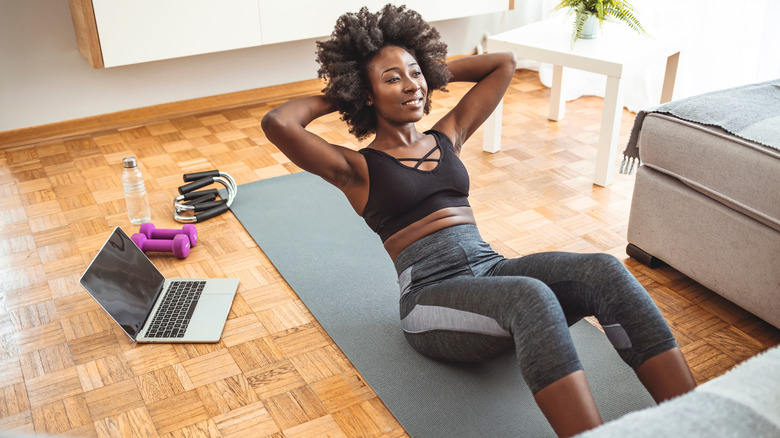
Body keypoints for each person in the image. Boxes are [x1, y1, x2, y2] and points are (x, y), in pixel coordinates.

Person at [261, 5, 696, 437]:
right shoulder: (355, 168)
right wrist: (347, 92)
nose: (411, 85)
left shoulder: (446, 136)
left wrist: (421, 72)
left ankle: (696, 418)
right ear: (367, 94)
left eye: (415, 73)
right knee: (529, 297)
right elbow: (278, 122)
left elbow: (502, 64)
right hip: (429, 298)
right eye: (392, 78)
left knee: (603, 270)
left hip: (492, 270)